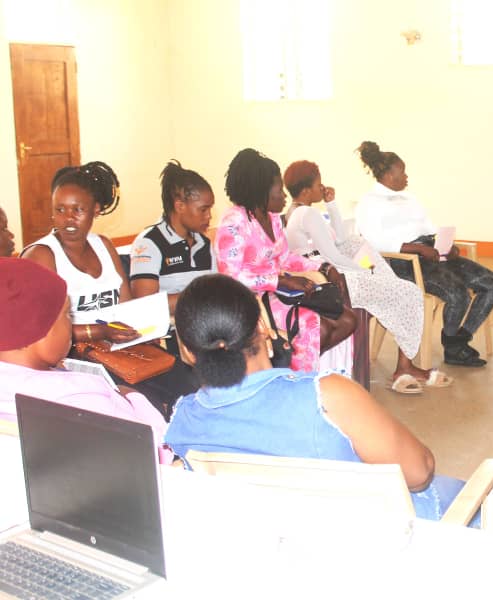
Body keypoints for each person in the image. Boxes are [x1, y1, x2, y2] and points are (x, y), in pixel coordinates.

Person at [164, 274, 470, 521]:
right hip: (370, 548)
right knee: (466, 496)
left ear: (188, 352)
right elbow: (418, 473)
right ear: (262, 326)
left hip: (276, 556)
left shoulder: (183, 422)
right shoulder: (327, 395)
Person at [20, 161, 198, 417]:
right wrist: (100, 331)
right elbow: (36, 332)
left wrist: (142, 326)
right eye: (60, 210)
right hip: (73, 354)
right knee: (142, 402)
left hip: (119, 346)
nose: (68, 219)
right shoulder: (42, 255)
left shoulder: (103, 245)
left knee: (185, 384)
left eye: (78, 210)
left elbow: (125, 307)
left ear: (95, 210)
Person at [282, 160, 451, 393]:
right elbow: (332, 255)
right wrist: (365, 272)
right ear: (305, 190)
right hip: (334, 278)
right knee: (409, 291)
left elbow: (340, 240)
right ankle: (404, 367)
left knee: (360, 247)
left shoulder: (300, 212)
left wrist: (331, 204)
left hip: (335, 272)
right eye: (318, 184)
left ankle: (405, 366)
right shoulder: (307, 213)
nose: (322, 188)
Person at [0, 258, 171, 463]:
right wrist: (134, 397)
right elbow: (157, 452)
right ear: (35, 330)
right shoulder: (82, 399)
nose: (71, 325)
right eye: (66, 315)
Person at [355, 141, 493, 367]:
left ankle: (457, 340)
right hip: (403, 263)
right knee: (458, 294)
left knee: (492, 283)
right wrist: (417, 248)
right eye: (402, 172)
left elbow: (428, 228)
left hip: (430, 255)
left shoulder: (409, 198)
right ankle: (454, 348)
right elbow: (375, 240)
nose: (406, 177)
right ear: (388, 174)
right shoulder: (370, 203)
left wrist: (446, 245)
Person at [215, 148, 356, 373]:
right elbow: (230, 277)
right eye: (279, 189)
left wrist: (325, 267)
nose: (284, 196)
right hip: (251, 302)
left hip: (279, 294)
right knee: (314, 326)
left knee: (348, 320)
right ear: (261, 191)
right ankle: (299, 386)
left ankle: (299, 370)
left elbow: (286, 257)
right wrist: (279, 282)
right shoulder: (234, 222)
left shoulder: (272, 218)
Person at [130, 160, 217, 315]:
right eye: (203, 210)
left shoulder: (204, 243)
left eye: (210, 209)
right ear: (180, 206)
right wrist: (199, 298)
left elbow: (216, 292)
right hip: (168, 332)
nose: (209, 215)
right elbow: (144, 304)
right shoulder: (149, 243)